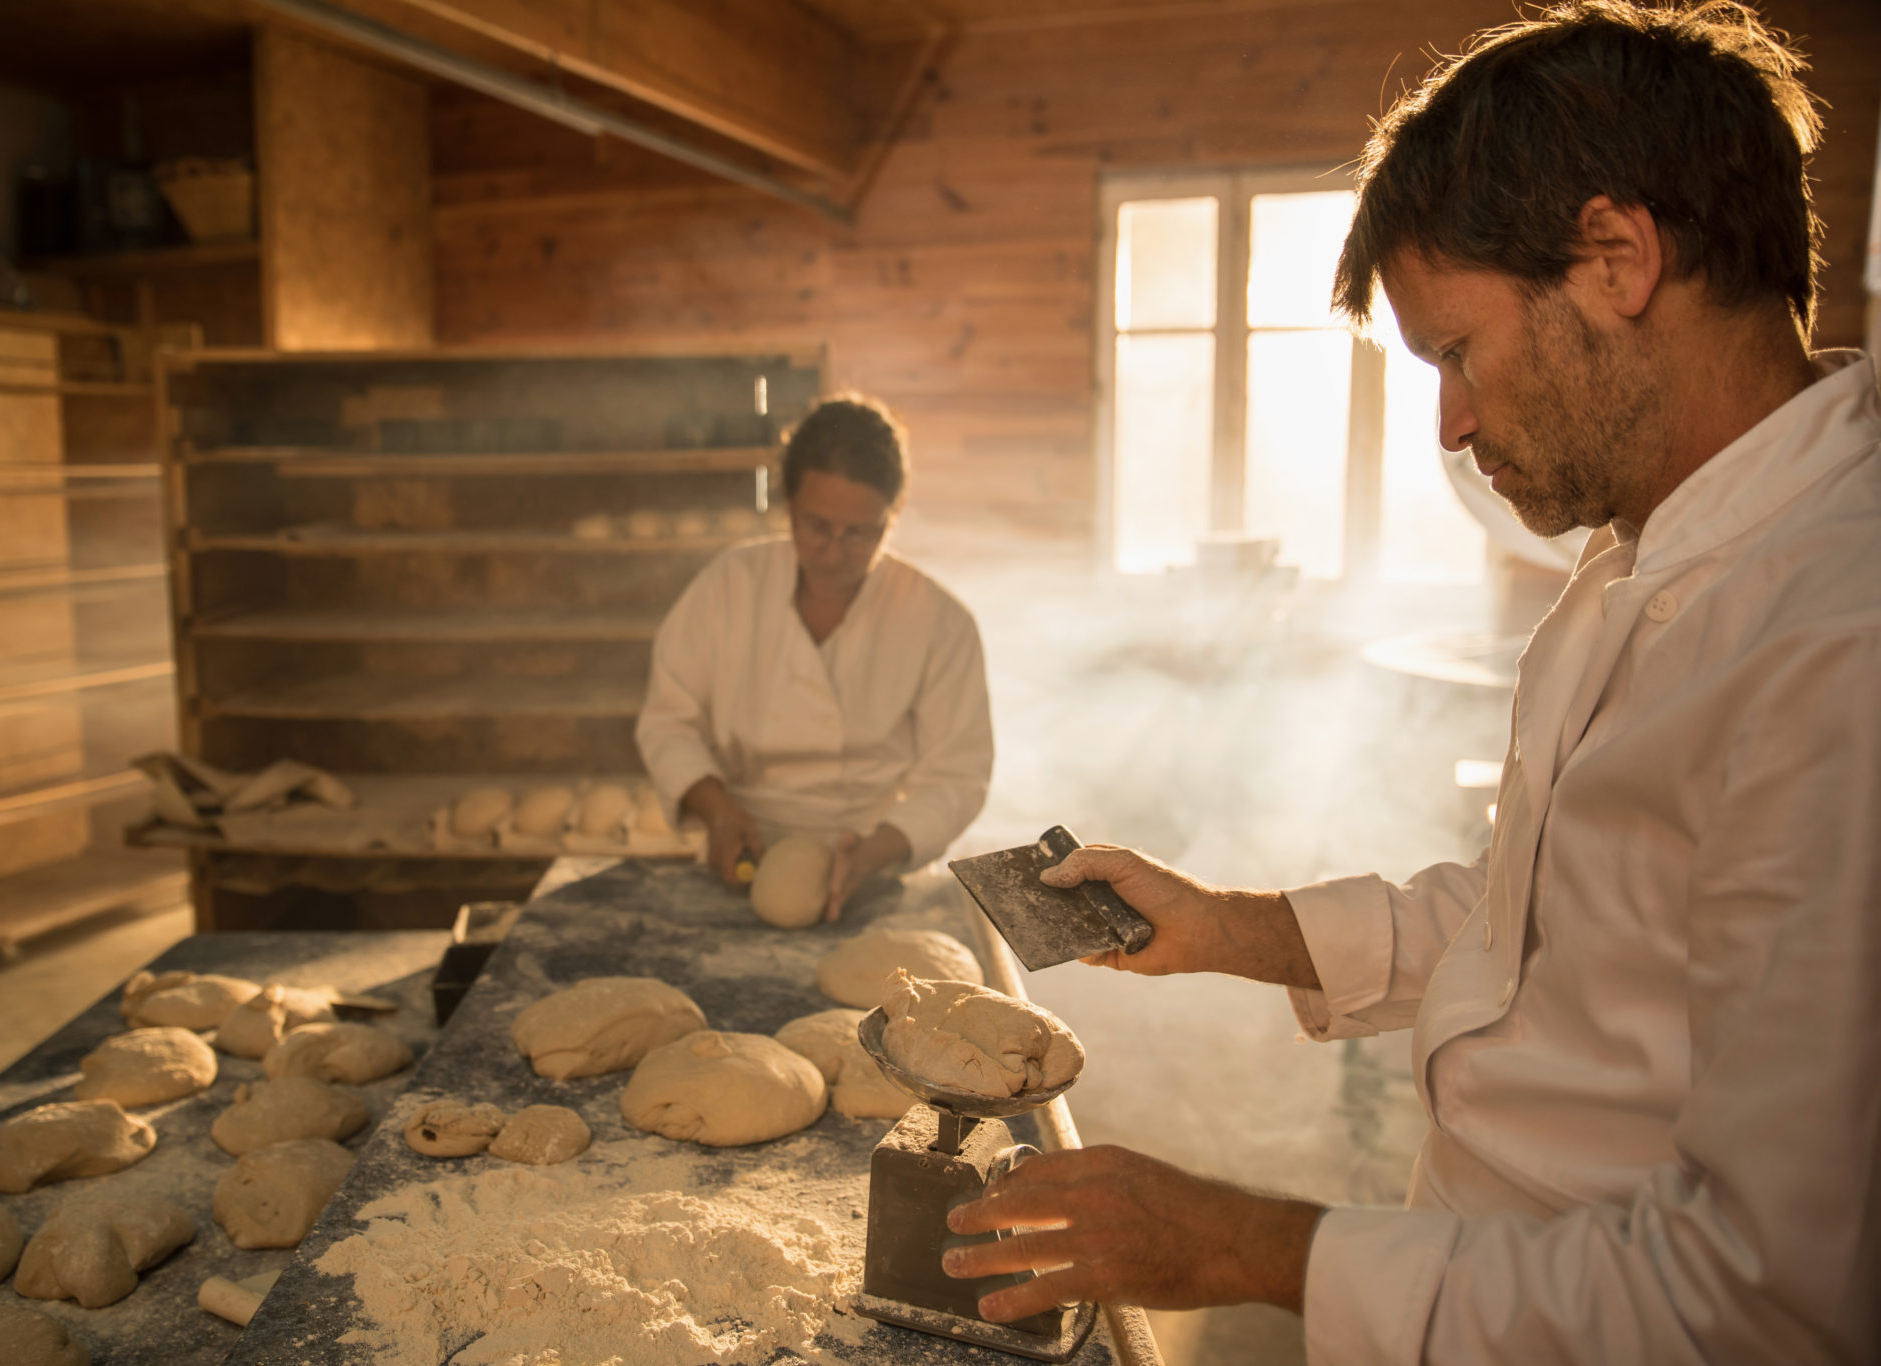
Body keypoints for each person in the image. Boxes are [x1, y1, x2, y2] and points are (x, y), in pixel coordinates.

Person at [943, 3, 1879, 1362]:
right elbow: (1546, 932)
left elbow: (1764, 1297)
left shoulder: (1832, 644)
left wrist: (1247, 1244)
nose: (1447, 421)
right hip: (1482, 1273)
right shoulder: (1639, 570)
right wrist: (1228, 926)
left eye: (1455, 350)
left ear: (1618, 258)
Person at [636, 395, 994, 919]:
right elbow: (669, 721)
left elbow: (958, 776)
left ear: (891, 519)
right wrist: (717, 812)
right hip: (741, 853)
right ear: (787, 505)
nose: (833, 549)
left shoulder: (939, 621)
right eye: (817, 526)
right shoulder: (729, 588)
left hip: (877, 861)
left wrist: (876, 850)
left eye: (859, 533)